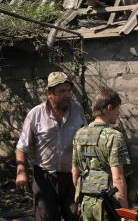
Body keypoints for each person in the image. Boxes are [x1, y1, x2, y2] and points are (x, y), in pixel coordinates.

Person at [15, 72, 87, 221]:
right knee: (46, 217)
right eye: (62, 91)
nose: (67, 95)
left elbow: (86, 140)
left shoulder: (77, 111)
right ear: (50, 94)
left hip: (71, 176)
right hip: (44, 177)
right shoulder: (35, 115)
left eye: (68, 91)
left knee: (75, 216)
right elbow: (22, 147)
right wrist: (21, 172)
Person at [72, 86, 131, 221]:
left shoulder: (79, 134)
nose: (118, 114)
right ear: (110, 108)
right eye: (117, 109)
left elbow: (75, 171)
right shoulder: (114, 136)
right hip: (108, 206)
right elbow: (118, 178)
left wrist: (80, 200)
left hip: (86, 202)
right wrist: (125, 212)